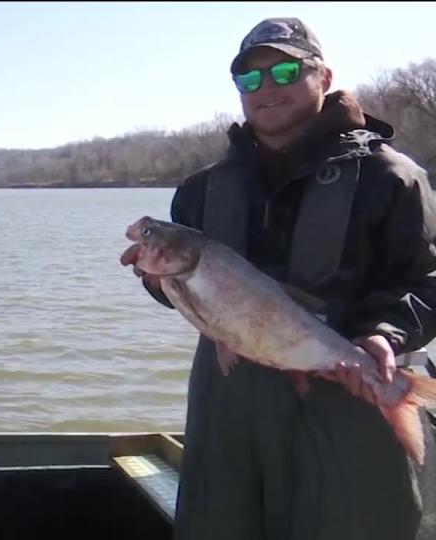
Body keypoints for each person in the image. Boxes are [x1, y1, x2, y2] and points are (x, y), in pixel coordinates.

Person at [131, 17, 436, 540]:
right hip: (228, 413)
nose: (266, 89)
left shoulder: (392, 178)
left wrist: (384, 336)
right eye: (250, 80)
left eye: (285, 71)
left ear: (324, 75)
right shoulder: (201, 189)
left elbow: (427, 280)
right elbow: (184, 294)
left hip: (349, 403)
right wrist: (157, 281)